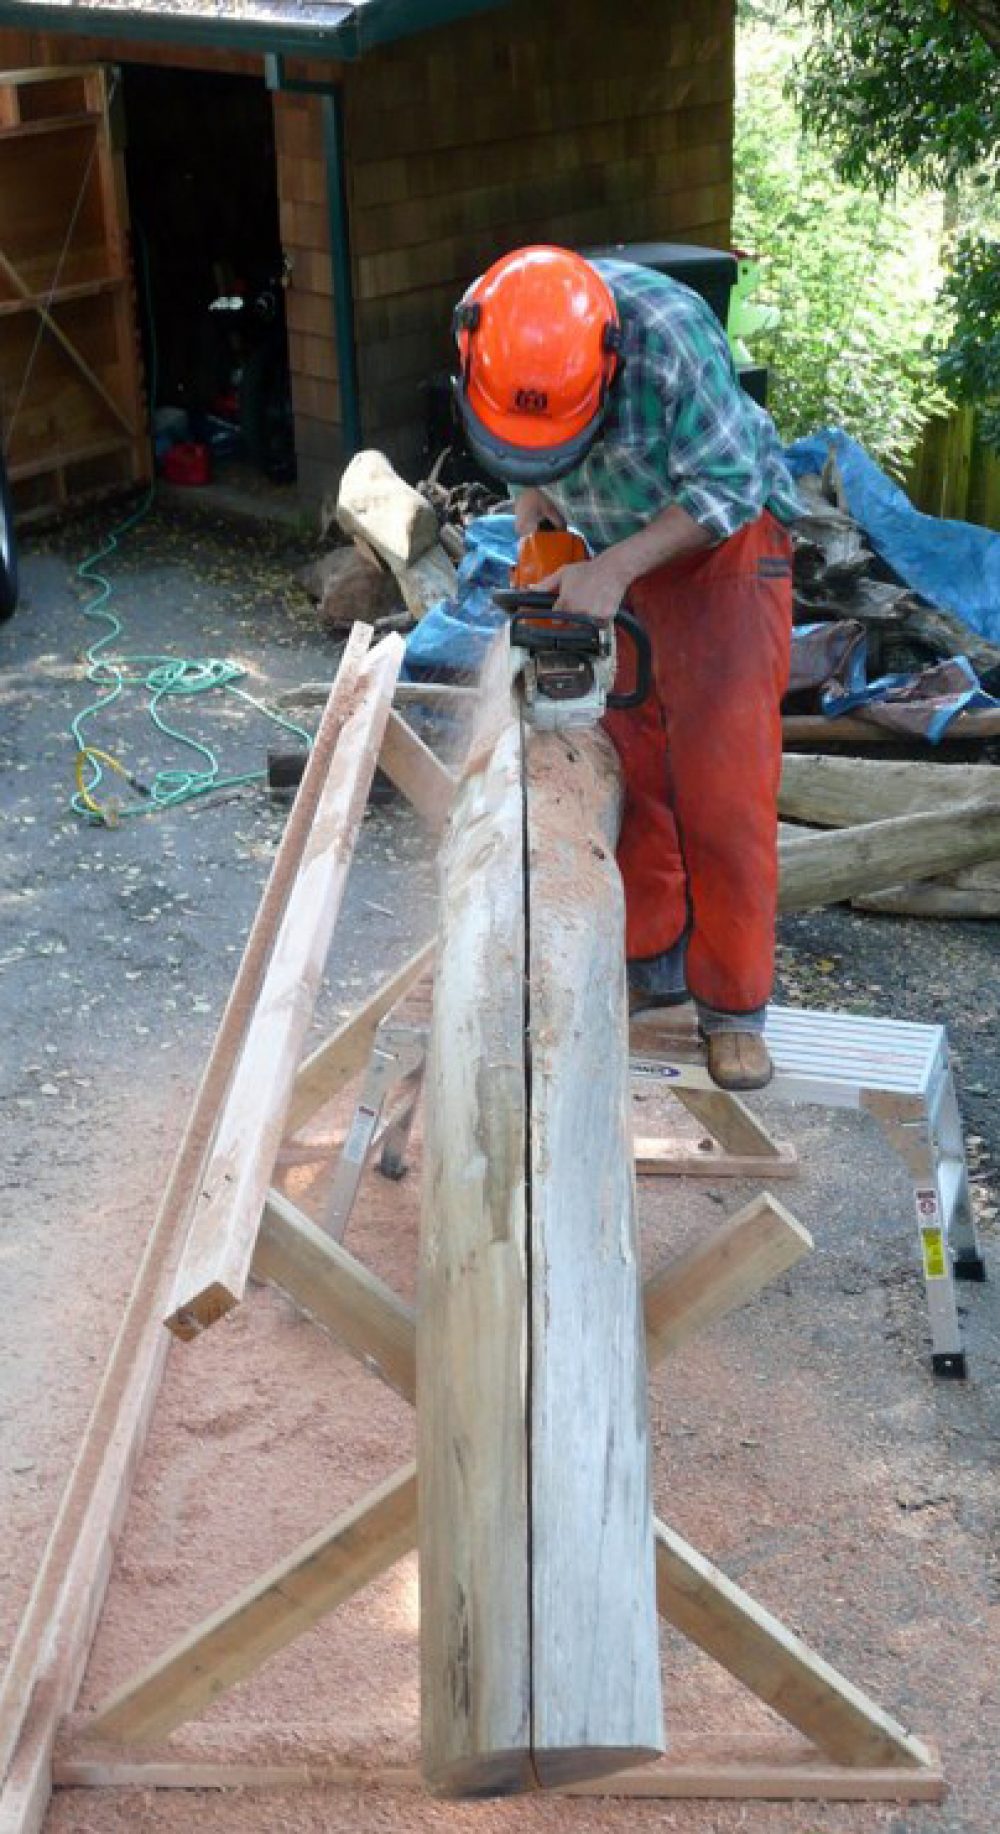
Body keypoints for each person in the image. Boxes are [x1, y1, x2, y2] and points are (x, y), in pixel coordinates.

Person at [451, 245, 801, 1092]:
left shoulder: (673, 338)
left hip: (718, 547)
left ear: (605, 370)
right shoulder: (489, 325)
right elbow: (521, 456)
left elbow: (727, 489)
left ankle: (733, 1007)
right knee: (627, 762)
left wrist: (613, 572)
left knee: (721, 782)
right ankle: (651, 960)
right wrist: (542, 529)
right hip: (607, 541)